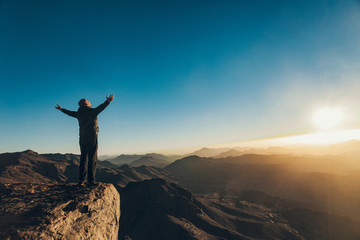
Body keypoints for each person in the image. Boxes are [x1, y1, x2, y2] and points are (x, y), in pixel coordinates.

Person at [55, 95, 114, 186]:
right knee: (92, 159)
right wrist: (108, 101)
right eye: (89, 102)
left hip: (82, 138)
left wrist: (61, 109)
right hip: (92, 137)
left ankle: (81, 180)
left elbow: (69, 113)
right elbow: (101, 108)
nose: (90, 103)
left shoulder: (79, 113)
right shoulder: (92, 111)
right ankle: (91, 181)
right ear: (87, 103)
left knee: (83, 159)